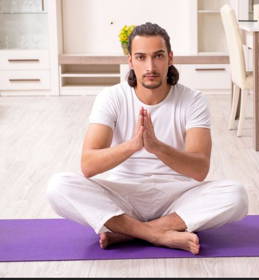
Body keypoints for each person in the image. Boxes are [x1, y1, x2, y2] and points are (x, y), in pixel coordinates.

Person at [46, 22, 248, 255]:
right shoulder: (112, 97)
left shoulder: (193, 100)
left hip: (177, 196)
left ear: (170, 58)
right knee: (58, 186)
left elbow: (200, 169)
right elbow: (89, 166)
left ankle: (127, 233)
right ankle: (156, 234)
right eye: (141, 57)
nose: (150, 66)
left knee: (236, 195)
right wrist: (133, 145)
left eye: (158, 56)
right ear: (130, 61)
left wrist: (157, 147)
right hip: (123, 194)